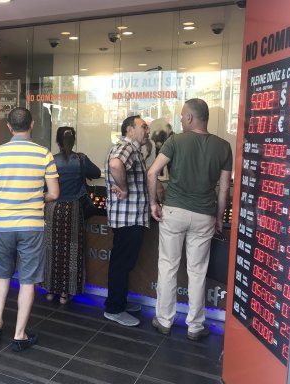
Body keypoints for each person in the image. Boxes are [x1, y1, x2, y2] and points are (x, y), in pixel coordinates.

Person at [147, 98, 232, 341]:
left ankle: (164, 320)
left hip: (174, 212)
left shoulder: (176, 141)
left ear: (191, 118)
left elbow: (153, 172)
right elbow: (224, 190)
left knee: (168, 266)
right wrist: (218, 217)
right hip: (204, 214)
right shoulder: (223, 146)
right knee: (197, 271)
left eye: (183, 115)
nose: (181, 119)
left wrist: (154, 203)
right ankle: (195, 326)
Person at [0, 107, 59, 352]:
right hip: (31, 226)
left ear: (9, 127)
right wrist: (36, 199)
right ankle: (19, 335)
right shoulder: (43, 154)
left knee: (2, 275)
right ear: (32, 124)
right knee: (27, 281)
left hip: (4, 225)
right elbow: (54, 193)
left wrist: (5, 199)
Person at [43, 126, 101, 304]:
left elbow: (44, 187)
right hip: (74, 210)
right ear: (74, 141)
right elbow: (97, 173)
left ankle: (51, 290)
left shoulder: (51, 160)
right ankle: (65, 293)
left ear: (58, 142)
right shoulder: (81, 159)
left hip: (53, 210)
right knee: (72, 251)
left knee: (52, 249)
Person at [103, 115, 150, 327]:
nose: (147, 131)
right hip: (128, 218)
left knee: (123, 263)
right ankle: (114, 308)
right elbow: (115, 165)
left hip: (130, 217)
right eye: (143, 127)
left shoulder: (133, 149)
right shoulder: (126, 147)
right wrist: (124, 188)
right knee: (121, 264)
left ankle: (118, 301)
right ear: (130, 130)